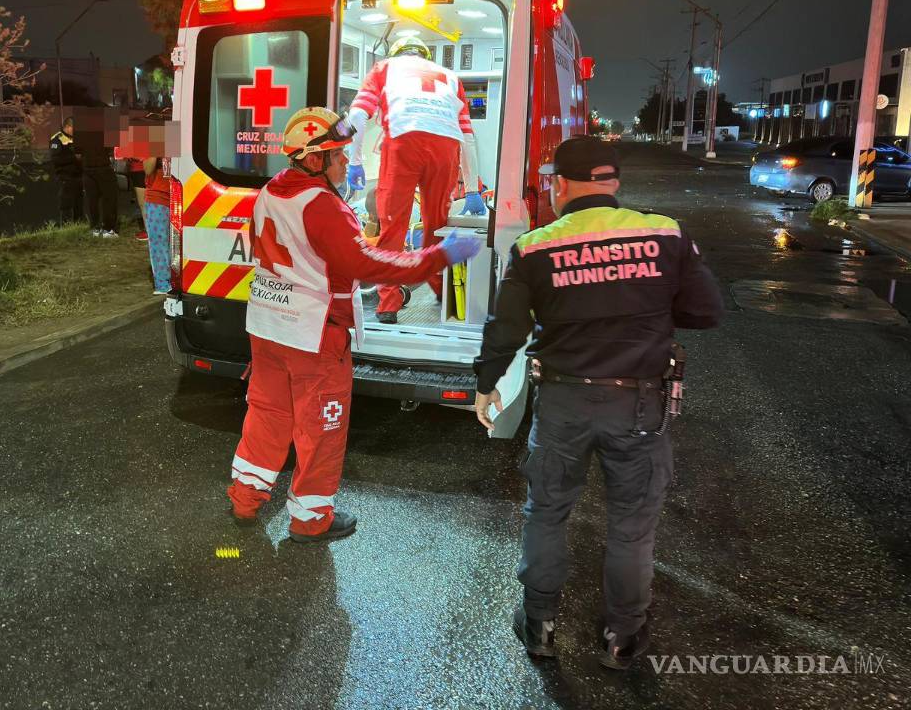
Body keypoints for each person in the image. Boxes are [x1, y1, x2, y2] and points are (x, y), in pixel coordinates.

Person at [473, 136, 723, 669]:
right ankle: (623, 636)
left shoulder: (536, 247)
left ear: (560, 185)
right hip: (638, 405)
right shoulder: (665, 233)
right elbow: (705, 312)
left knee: (547, 512)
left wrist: (486, 382)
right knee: (632, 524)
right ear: (614, 184)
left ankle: (539, 624)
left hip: (563, 400)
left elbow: (507, 328)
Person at [226, 107, 481, 542]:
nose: (347, 162)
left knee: (267, 416)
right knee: (320, 428)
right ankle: (310, 520)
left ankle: (244, 499)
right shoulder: (323, 205)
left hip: (268, 328)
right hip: (314, 334)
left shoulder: (270, 191)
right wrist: (438, 256)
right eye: (338, 154)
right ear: (312, 159)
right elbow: (366, 264)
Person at [346, 35, 486, 325]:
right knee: (436, 226)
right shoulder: (451, 77)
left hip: (403, 143)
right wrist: (472, 189)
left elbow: (358, 115)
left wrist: (354, 161)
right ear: (424, 56)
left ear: (397, 52)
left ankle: (388, 306)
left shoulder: (385, 68)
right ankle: (439, 291)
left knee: (392, 228)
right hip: (446, 148)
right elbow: (467, 136)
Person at [141, 156, 171, 294]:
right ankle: (163, 283)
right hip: (158, 197)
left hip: (184, 194)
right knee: (160, 242)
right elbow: (148, 169)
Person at [50, 116, 84, 225]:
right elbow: (56, 159)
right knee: (66, 204)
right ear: (68, 127)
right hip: (65, 177)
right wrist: (74, 158)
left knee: (79, 203)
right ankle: (66, 227)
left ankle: (79, 225)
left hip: (78, 176)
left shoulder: (75, 138)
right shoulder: (57, 139)